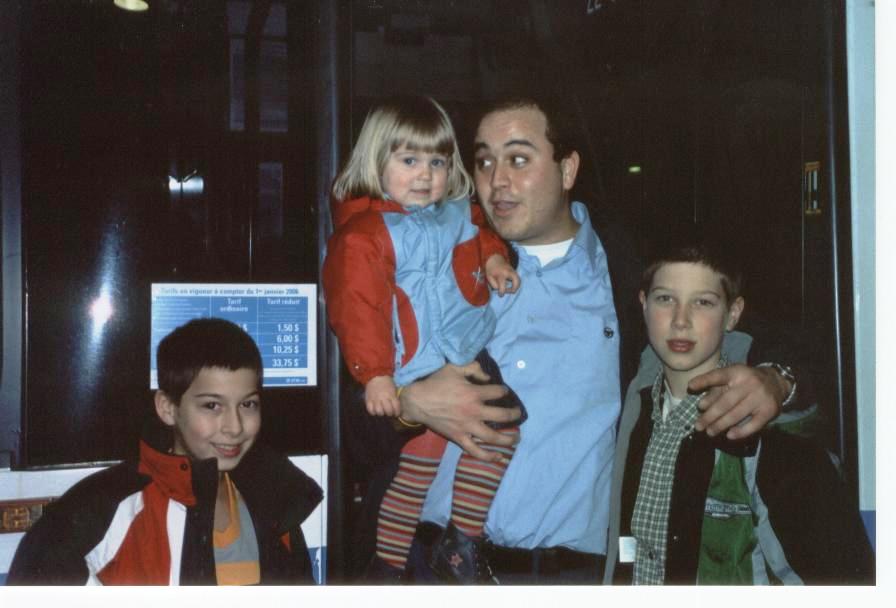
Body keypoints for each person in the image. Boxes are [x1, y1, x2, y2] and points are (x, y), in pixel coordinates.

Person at [388, 91, 802, 584]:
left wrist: (776, 380)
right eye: (484, 162)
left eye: (518, 159)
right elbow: (353, 404)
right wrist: (409, 404)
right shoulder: (433, 258)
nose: (496, 181)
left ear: (567, 169)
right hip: (431, 567)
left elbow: (768, 331)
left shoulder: (626, 272)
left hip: (567, 577)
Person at [322, 95, 525, 583]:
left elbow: (480, 230)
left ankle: (459, 544)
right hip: (411, 363)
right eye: (409, 160)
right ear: (376, 161)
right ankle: (391, 565)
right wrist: (375, 375)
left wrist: (495, 258)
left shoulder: (453, 213)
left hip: (463, 348)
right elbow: (357, 308)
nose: (425, 175)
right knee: (433, 458)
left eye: (437, 162)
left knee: (481, 437)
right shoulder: (364, 235)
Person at [602, 243, 874, 584]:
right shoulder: (631, 411)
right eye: (665, 299)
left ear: (732, 314)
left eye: (703, 302)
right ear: (643, 304)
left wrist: (782, 381)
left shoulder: (771, 437)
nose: (680, 321)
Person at [7, 318, 323, 585]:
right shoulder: (102, 512)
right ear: (168, 408)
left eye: (248, 404)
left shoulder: (274, 499)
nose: (235, 426)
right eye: (212, 406)